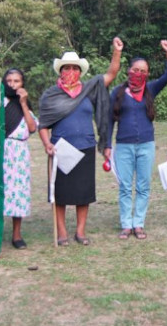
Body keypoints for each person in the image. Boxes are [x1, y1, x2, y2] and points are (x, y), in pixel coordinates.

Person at [38, 38, 124, 246]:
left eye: (74, 68)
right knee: (60, 194)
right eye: (66, 68)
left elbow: (111, 74)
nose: (70, 72)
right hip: (60, 150)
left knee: (83, 194)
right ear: (60, 71)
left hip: (85, 147)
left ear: (80, 71)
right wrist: (47, 144)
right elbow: (43, 125)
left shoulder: (89, 89)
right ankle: (62, 233)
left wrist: (117, 51)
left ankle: (80, 232)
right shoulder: (51, 95)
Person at [105, 40, 167, 240]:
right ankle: (126, 224)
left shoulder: (150, 89)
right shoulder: (117, 92)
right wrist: (108, 145)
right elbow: (109, 120)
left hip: (146, 145)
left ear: (147, 73)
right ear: (128, 70)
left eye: (143, 71)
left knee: (143, 186)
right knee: (125, 186)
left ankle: (139, 224)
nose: (139, 73)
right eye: (136, 69)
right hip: (124, 146)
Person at [2, 68, 38, 249]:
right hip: (1, 150)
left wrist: (23, 103)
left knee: (18, 191)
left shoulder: (25, 104)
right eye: (9, 81)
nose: (13, 84)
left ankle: (16, 234)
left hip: (19, 151)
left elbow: (32, 128)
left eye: (17, 81)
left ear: (22, 83)